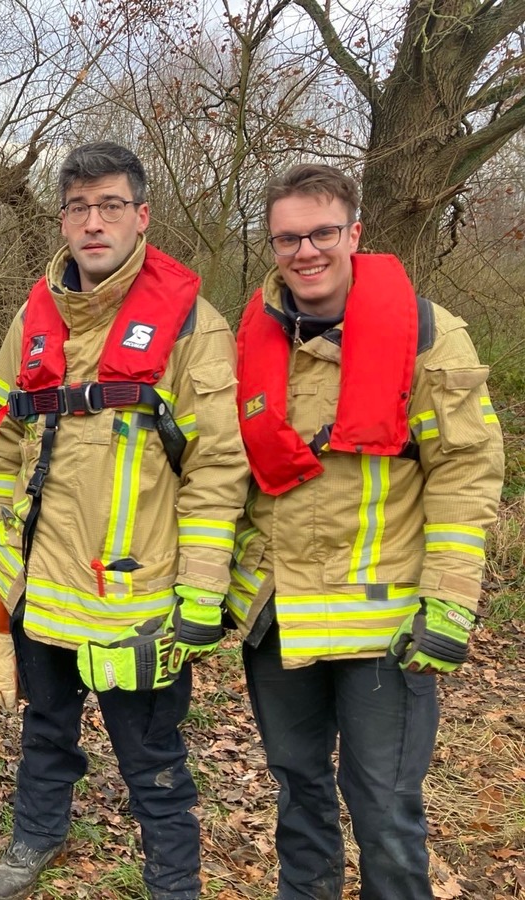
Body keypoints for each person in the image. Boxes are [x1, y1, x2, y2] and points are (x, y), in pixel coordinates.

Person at [0, 141, 249, 900]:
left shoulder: (194, 325)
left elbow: (220, 468)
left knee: (153, 754)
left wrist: (200, 589)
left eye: (111, 206)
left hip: (139, 594)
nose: (94, 223)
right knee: (45, 732)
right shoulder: (34, 316)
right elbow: (0, 435)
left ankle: (173, 878)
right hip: (44, 584)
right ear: (61, 221)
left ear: (142, 216)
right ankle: (37, 834)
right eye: (79, 208)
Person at [229, 163, 505, 899]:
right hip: (278, 612)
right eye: (288, 237)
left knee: (383, 808)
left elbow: (465, 475)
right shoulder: (253, 337)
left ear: (355, 233)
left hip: (384, 622)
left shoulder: (425, 334)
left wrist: (448, 603)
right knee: (298, 791)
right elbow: (226, 473)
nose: (305, 251)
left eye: (322, 232)